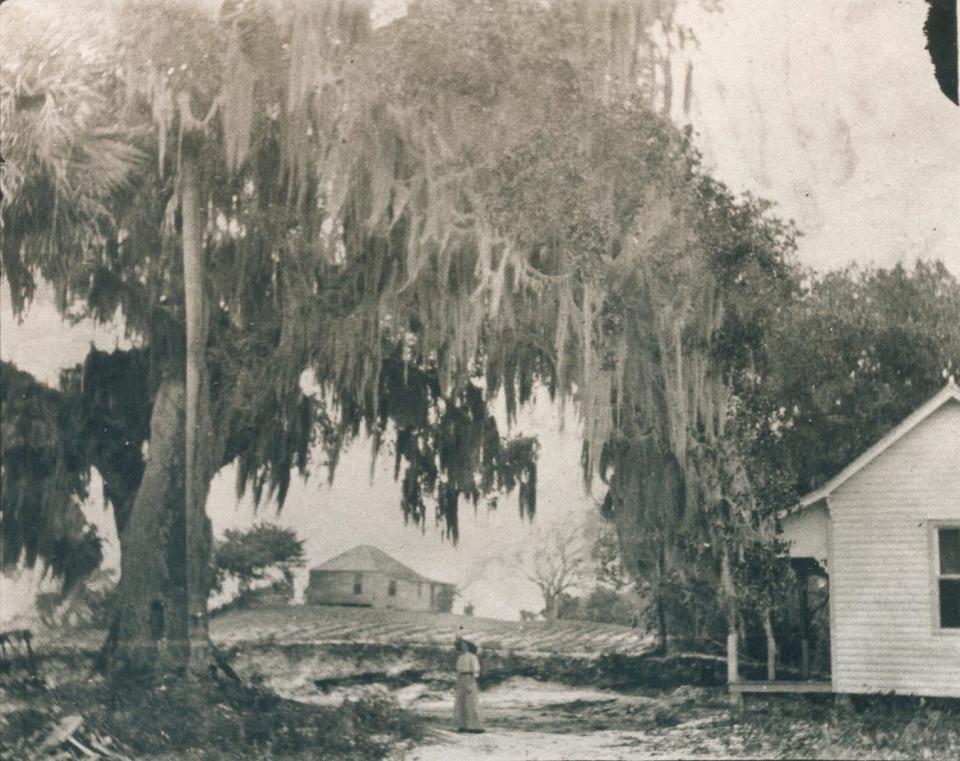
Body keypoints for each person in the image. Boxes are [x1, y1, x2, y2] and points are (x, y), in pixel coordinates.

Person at [453, 637, 484, 733]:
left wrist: (471, 682)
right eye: (461, 646)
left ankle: (475, 726)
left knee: (471, 702)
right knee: (461, 702)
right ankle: (463, 725)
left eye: (465, 645)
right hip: (461, 679)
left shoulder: (472, 657)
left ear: (468, 647)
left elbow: (476, 670)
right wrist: (457, 682)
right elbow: (458, 671)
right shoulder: (460, 657)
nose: (463, 647)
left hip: (469, 678)